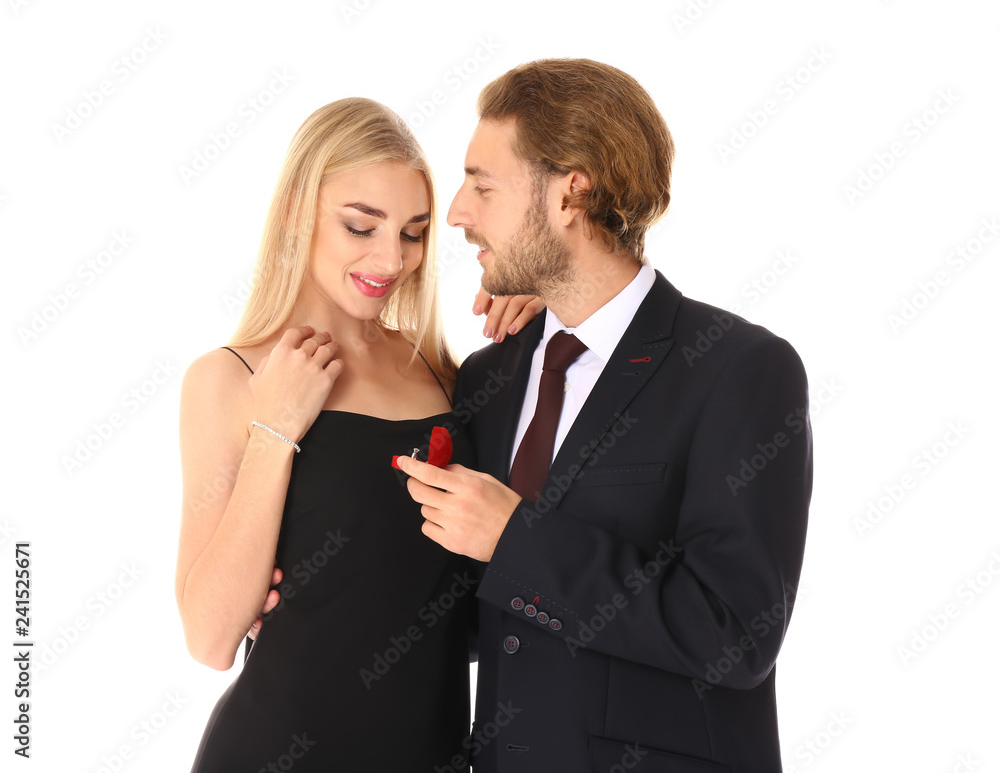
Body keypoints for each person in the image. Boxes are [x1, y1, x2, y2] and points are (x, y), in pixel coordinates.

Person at [396, 59, 813, 772]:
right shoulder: (492, 376)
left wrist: (514, 537)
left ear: (572, 192)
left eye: (483, 185)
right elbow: (475, 618)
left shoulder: (738, 370)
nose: (458, 212)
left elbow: (736, 635)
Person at [173, 97, 541, 771]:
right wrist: (276, 430)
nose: (391, 258)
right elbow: (210, 637)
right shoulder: (229, 378)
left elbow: (485, 591)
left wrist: (547, 320)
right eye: (360, 226)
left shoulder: (442, 373)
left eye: (413, 233)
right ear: (297, 211)